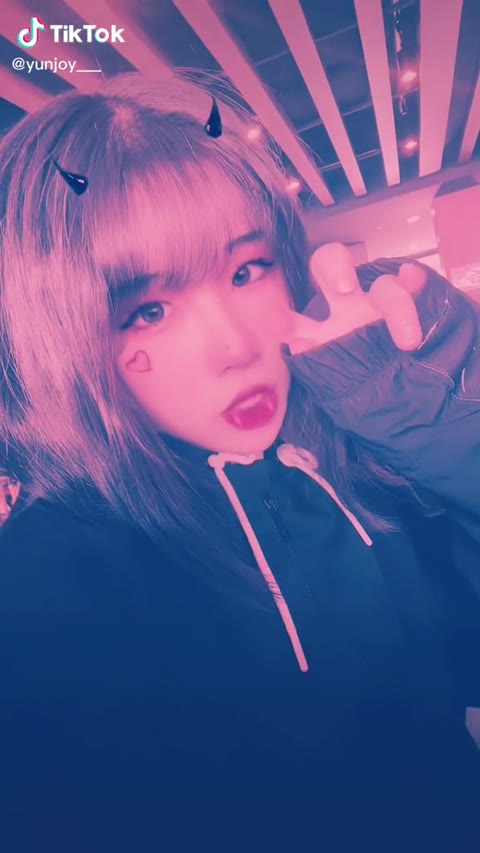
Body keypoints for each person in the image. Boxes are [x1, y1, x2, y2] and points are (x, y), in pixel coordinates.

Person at [0, 71, 479, 853]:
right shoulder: (44, 581)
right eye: (147, 310)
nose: (234, 346)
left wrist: (454, 443)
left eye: (247, 269)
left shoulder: (356, 459)